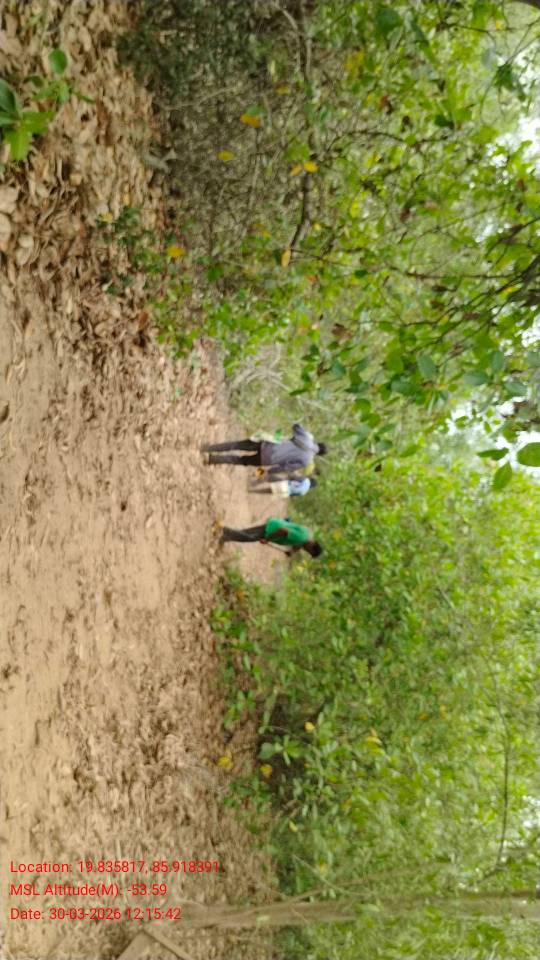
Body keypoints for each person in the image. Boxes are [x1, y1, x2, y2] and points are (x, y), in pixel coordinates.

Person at [202, 423, 327, 474]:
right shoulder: (307, 461)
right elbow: (285, 467)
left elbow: (296, 426)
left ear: (319, 443)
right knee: (241, 460)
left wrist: (307, 434)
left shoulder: (307, 438)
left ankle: (209, 448)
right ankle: (212, 459)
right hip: (267, 460)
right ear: (319, 454)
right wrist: (270, 471)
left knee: (237, 445)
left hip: (268, 444)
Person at [221, 516, 323, 558]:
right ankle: (224, 531)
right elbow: (283, 531)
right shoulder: (301, 538)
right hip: (272, 530)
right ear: (312, 546)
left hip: (274, 524)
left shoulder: (308, 535)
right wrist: (267, 539)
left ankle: (226, 535)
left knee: (248, 533)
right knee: (249, 537)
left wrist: (292, 552)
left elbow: (299, 545)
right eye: (309, 551)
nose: (306, 551)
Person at [249, 476, 317, 498]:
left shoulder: (306, 480)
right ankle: (252, 492)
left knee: (269, 480)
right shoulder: (304, 492)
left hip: (286, 484)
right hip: (285, 493)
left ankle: (252, 489)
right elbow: (292, 495)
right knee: (268, 491)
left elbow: (294, 478)